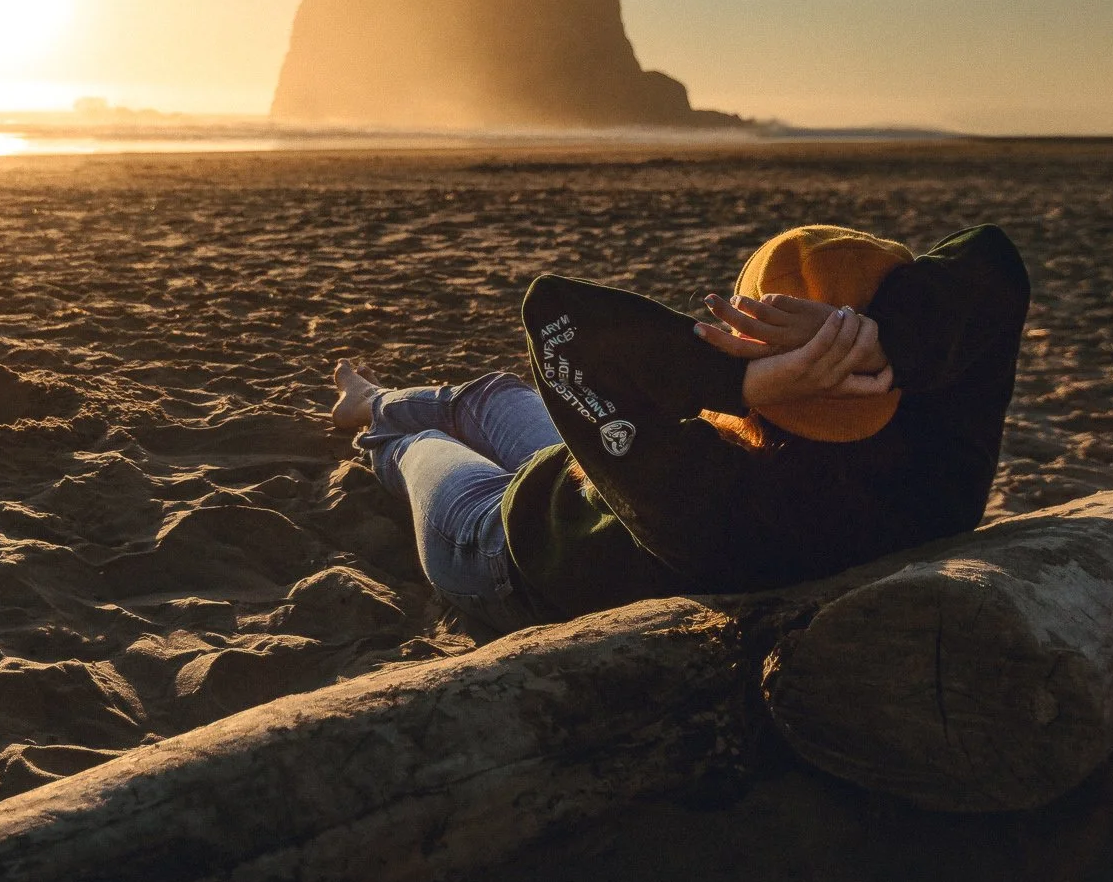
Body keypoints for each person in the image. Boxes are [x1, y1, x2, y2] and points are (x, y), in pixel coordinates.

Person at [330, 223, 1030, 630]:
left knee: (425, 445)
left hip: (503, 549)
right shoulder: (942, 469)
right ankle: (374, 395)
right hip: (602, 473)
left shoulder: (728, 508)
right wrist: (884, 339)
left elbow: (556, 317)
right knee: (496, 393)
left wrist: (741, 381)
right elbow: (995, 258)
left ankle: (373, 414)